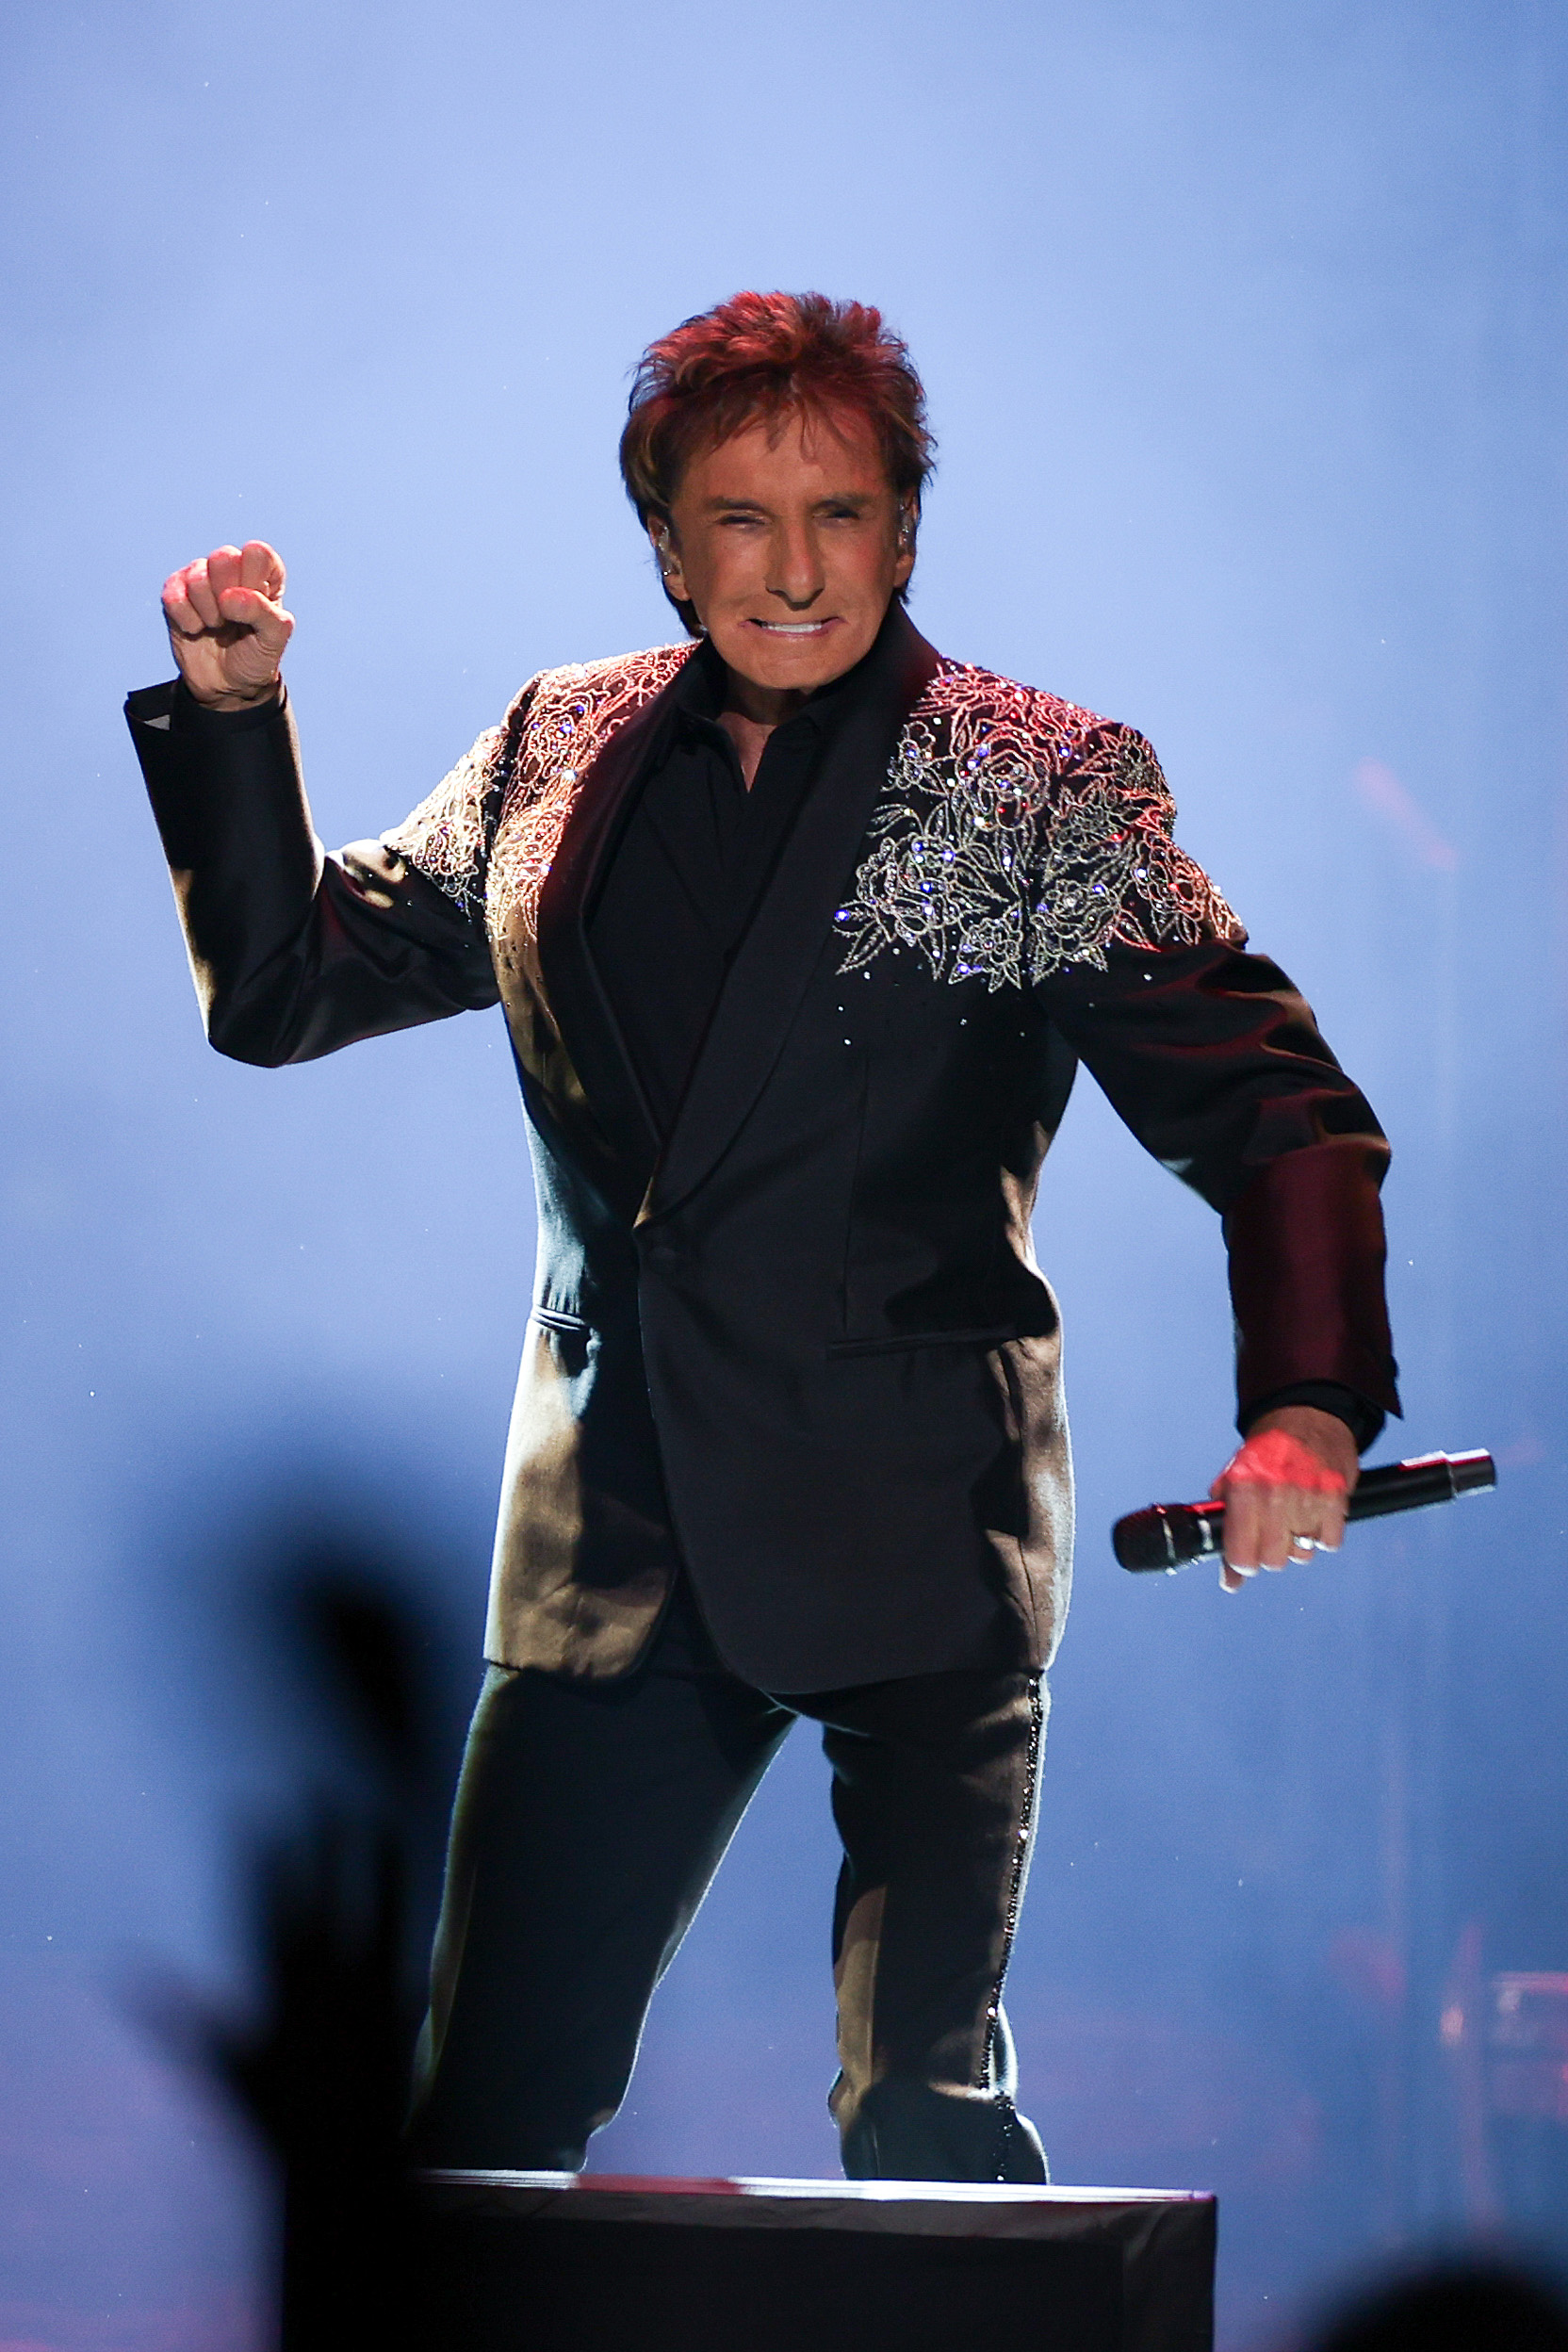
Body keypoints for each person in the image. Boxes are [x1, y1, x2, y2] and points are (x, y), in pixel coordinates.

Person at [127, 291, 1398, 2184]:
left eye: (844, 515)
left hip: (914, 1513)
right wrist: (237, 722)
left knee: (924, 2127)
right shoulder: (556, 744)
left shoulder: (1029, 781)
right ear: (664, 537)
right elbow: (290, 984)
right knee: (477, 2133)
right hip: (612, 1535)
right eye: (740, 517)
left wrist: (1305, 1407)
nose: (794, 570)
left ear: (904, 526)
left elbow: (1275, 1107)